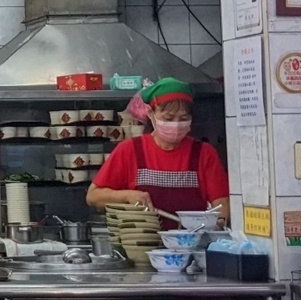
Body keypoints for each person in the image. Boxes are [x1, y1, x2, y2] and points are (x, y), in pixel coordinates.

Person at [86, 77, 230, 229]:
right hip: (141, 245)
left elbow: (222, 203)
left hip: (192, 245)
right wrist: (127, 196)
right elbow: (93, 196)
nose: (176, 124)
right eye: (168, 118)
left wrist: (217, 226)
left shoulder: (204, 153)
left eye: (183, 118)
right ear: (151, 114)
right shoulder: (130, 150)